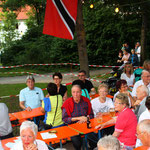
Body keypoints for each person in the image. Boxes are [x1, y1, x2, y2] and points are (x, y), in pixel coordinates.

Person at [62, 85, 96, 150]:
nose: (75, 94)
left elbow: (91, 115)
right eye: (73, 92)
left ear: (81, 92)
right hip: (73, 127)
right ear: (71, 93)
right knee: (77, 142)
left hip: (85, 124)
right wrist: (78, 118)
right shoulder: (67, 103)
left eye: (77, 92)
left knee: (94, 139)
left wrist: (86, 119)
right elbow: (64, 119)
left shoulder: (86, 101)